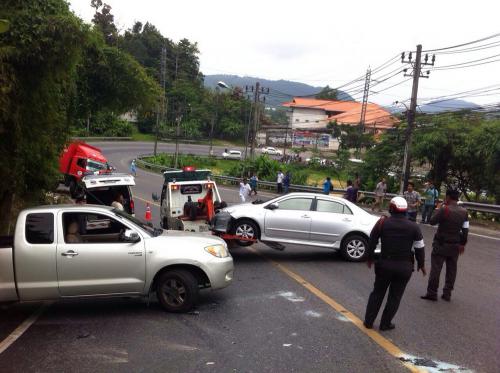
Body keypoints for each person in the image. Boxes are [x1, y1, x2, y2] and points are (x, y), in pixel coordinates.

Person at [364, 197, 426, 331]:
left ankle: (368, 322)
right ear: (405, 210)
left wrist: (369, 258)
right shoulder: (414, 226)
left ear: (391, 208)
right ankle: (385, 324)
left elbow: (372, 242)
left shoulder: (382, 223)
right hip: (404, 267)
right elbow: (419, 248)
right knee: (395, 296)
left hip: (384, 264)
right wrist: (421, 265)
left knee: (377, 293)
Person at [421, 188, 468, 302]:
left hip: (441, 244)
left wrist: (438, 208)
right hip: (455, 245)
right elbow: (465, 230)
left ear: (447, 197)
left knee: (436, 269)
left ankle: (432, 293)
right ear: (457, 198)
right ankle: (447, 294)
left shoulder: (444, 209)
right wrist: (462, 244)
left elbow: (432, 221)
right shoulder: (464, 212)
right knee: (452, 270)